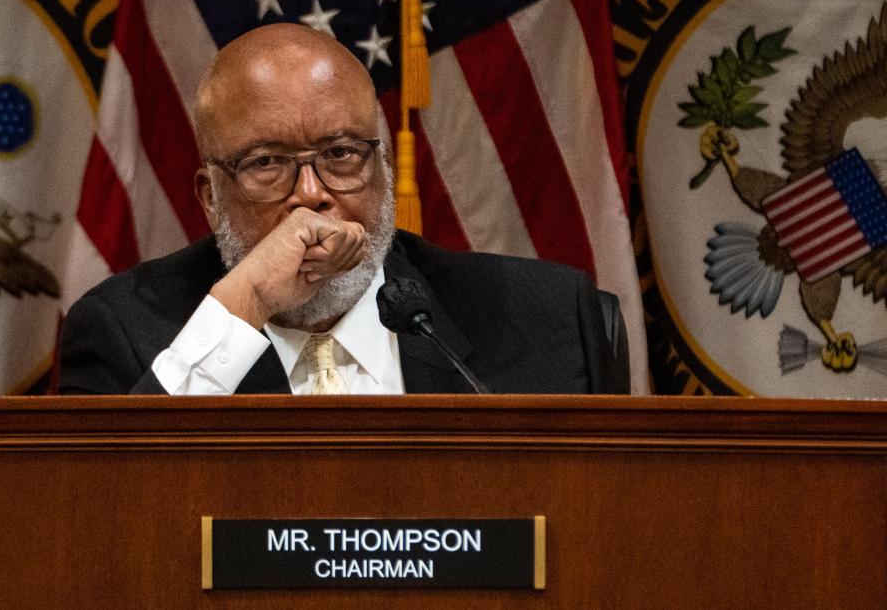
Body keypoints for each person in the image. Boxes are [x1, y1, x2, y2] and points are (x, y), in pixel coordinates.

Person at [60, 24, 626, 395]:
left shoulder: (547, 321)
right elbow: (108, 513)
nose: (311, 193)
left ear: (386, 172)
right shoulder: (124, 332)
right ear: (210, 197)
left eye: (341, 154)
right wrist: (250, 299)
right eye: (266, 164)